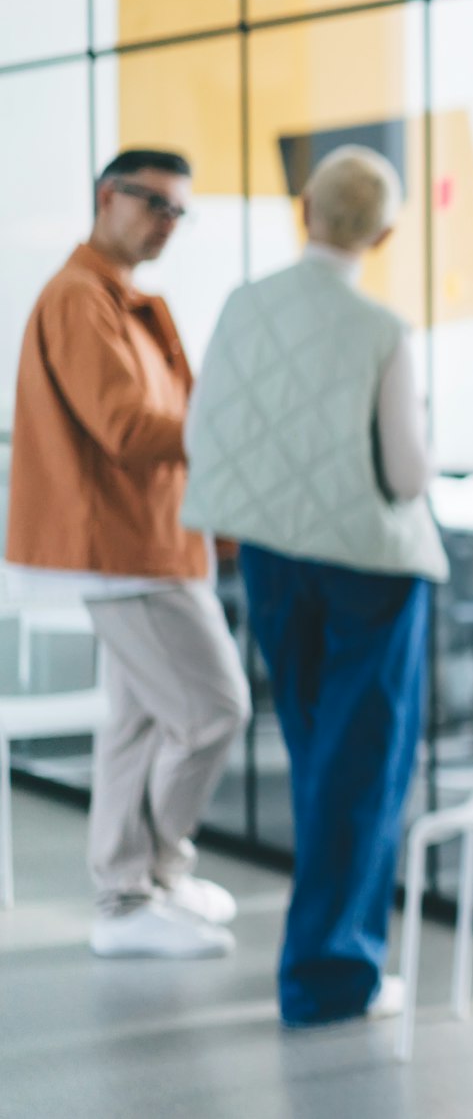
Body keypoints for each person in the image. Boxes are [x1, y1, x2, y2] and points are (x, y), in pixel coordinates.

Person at [181, 144, 445, 1027]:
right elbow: (406, 476)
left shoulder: (243, 304)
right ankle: (332, 977)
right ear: (387, 231)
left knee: (316, 754)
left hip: (273, 556)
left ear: (305, 210)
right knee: (361, 768)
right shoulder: (380, 330)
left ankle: (328, 961)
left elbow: (203, 424)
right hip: (371, 568)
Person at [5, 148, 250, 959]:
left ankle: (130, 895)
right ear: (108, 197)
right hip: (124, 550)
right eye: (155, 204)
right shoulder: (82, 299)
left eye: (180, 211)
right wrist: (232, 415)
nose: (167, 224)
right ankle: (151, 875)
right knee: (215, 710)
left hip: (155, 543)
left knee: (139, 723)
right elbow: (126, 428)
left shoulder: (126, 300)